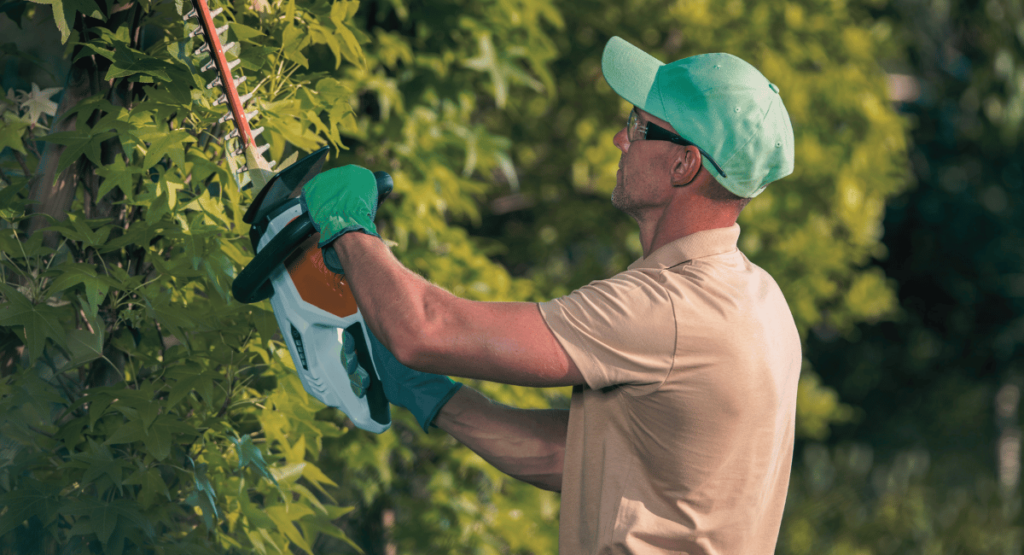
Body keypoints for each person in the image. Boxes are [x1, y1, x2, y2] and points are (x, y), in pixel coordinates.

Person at [301, 36, 800, 554]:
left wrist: (348, 228)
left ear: (684, 164)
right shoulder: (761, 302)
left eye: (638, 126)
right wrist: (433, 396)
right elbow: (570, 459)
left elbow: (426, 329)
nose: (619, 140)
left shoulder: (668, 308)